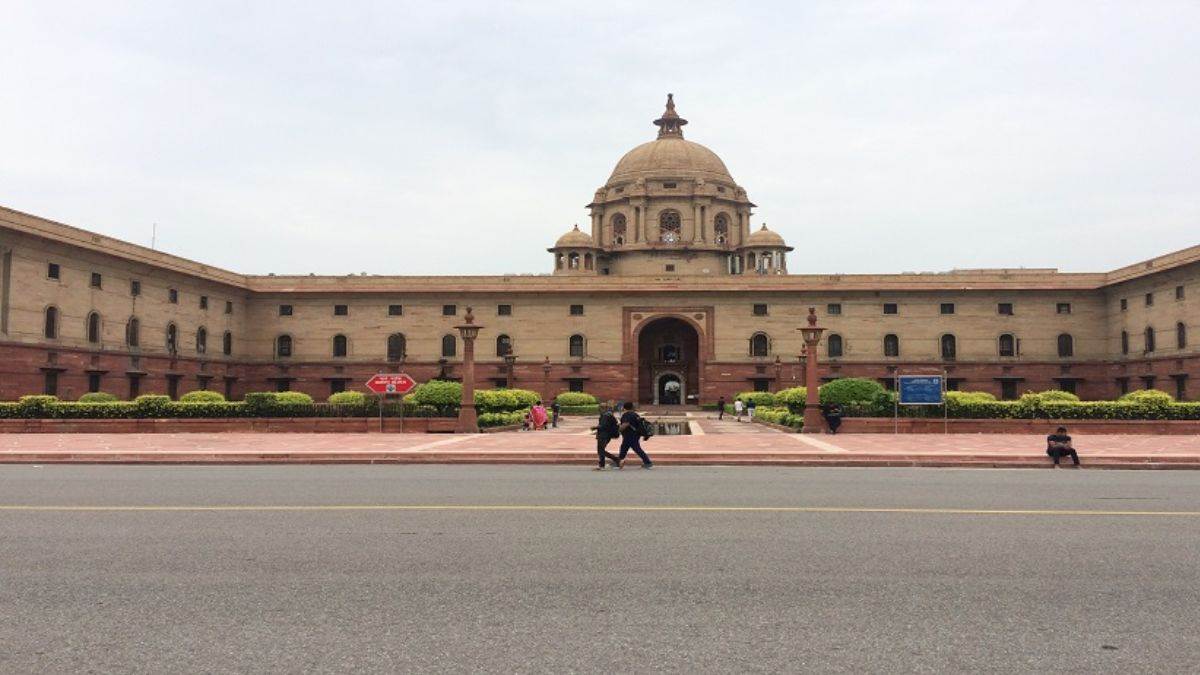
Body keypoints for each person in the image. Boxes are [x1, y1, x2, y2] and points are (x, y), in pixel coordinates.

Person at [617, 401, 653, 469]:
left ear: (624, 408)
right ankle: (618, 461)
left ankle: (648, 462)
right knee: (624, 448)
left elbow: (626, 424)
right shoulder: (635, 414)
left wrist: (617, 430)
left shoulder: (627, 415)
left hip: (630, 435)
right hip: (635, 434)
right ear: (632, 407)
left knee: (636, 449)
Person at [590, 403, 622, 470]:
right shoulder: (609, 414)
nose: (599, 409)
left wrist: (595, 427)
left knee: (601, 451)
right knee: (601, 450)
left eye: (600, 408)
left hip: (603, 435)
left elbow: (603, 426)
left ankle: (616, 460)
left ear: (604, 408)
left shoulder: (605, 415)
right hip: (607, 435)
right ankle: (602, 465)